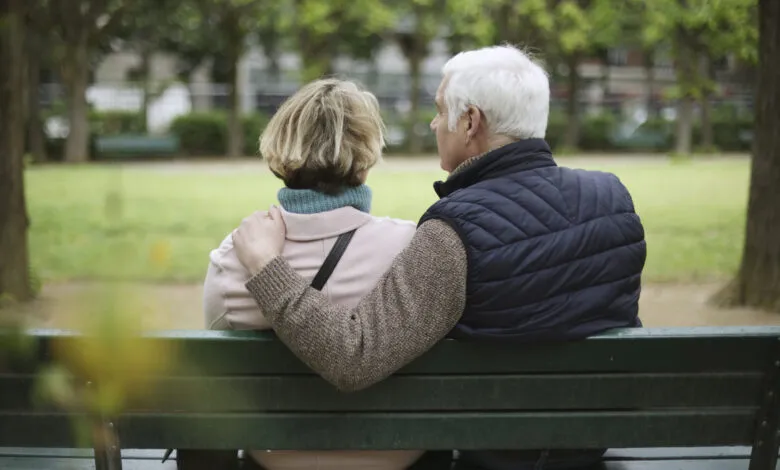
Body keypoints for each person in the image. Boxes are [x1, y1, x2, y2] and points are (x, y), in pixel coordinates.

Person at [231, 45, 647, 470]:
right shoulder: (613, 198)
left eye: (438, 110)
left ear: (470, 121)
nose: (433, 123)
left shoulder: (454, 231)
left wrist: (267, 266)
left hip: (494, 458)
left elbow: (353, 357)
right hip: (590, 446)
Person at [203, 78, 425, 470]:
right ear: (366, 153)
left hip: (275, 457)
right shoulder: (410, 249)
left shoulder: (231, 259)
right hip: (394, 455)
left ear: (281, 148)